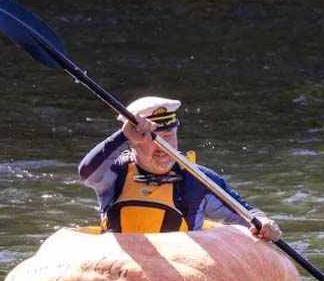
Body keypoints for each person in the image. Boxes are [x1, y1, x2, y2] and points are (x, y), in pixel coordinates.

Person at [77, 96, 282, 241]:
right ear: (133, 142)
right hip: (120, 271)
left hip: (179, 275)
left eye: (169, 137)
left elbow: (245, 215)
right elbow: (86, 173)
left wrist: (264, 222)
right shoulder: (116, 173)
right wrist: (122, 136)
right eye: (153, 139)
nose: (163, 148)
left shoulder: (197, 179)